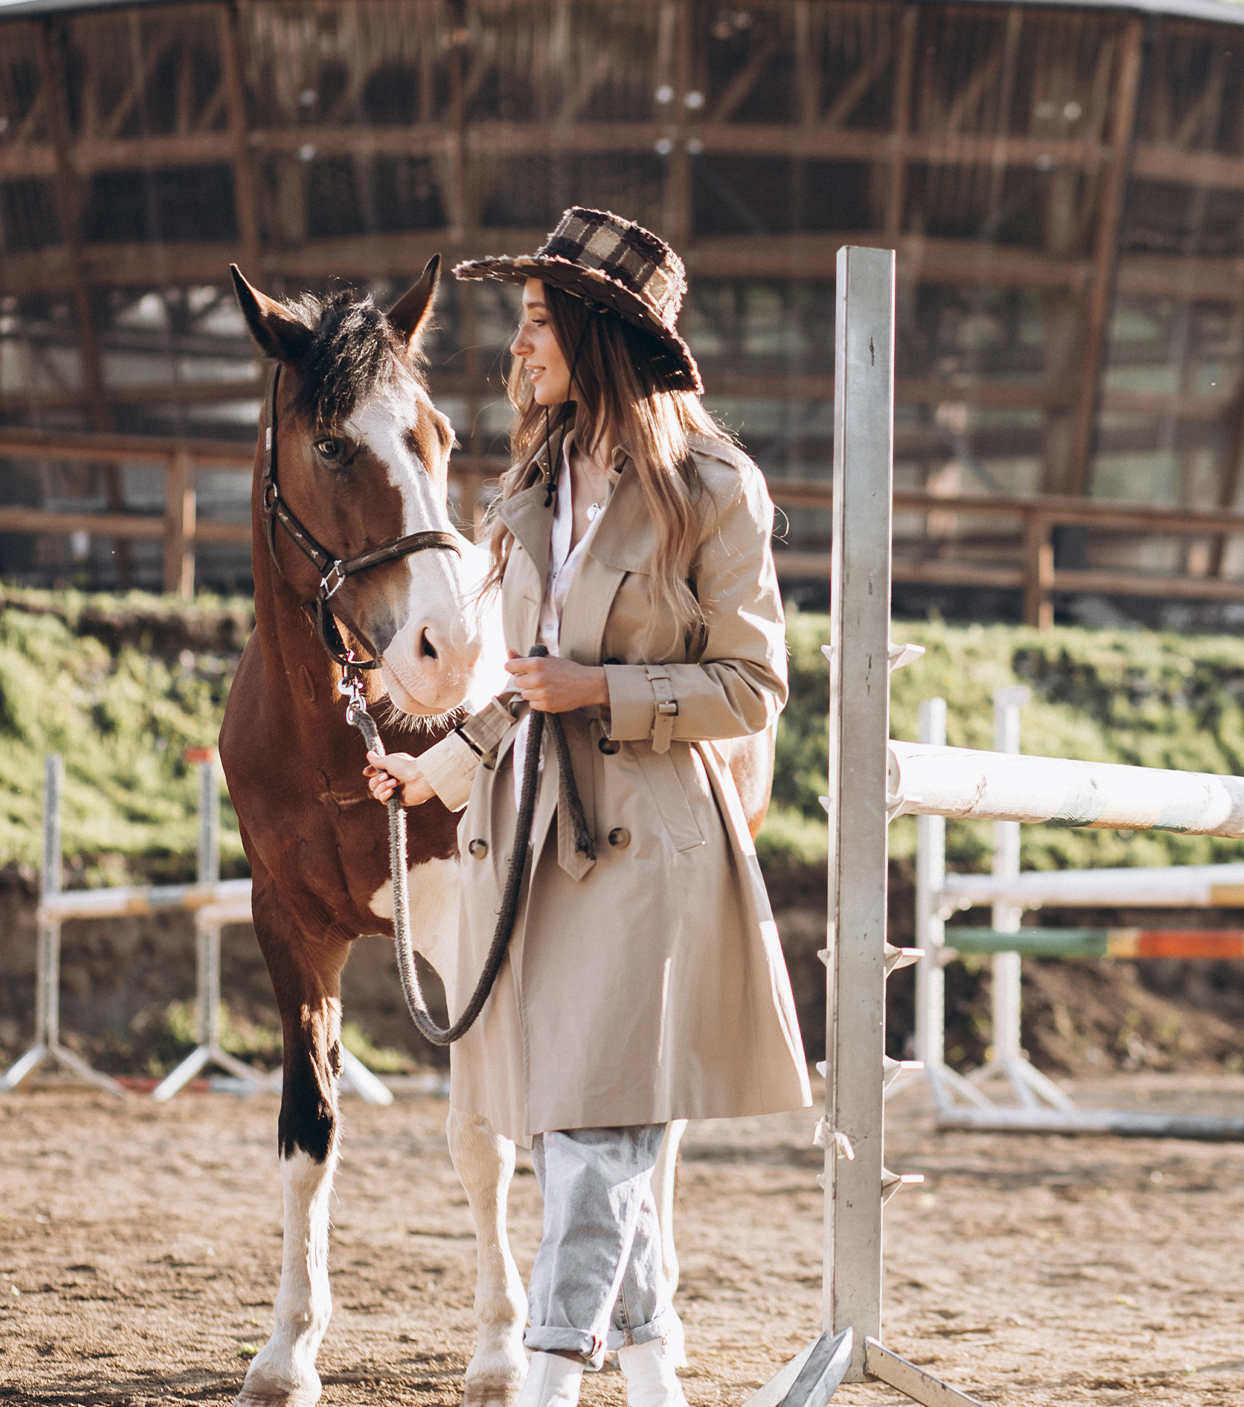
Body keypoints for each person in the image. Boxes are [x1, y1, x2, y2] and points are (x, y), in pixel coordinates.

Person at [364, 208, 811, 1407]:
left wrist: (604, 690)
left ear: (599, 338)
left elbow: (756, 684)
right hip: (531, 846)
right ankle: (657, 1376)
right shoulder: (527, 487)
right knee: (578, 1128)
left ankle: (553, 1383)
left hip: (653, 843)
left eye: (535, 322)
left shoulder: (716, 488)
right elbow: (518, 687)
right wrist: (438, 770)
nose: (515, 347)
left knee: (601, 1139)